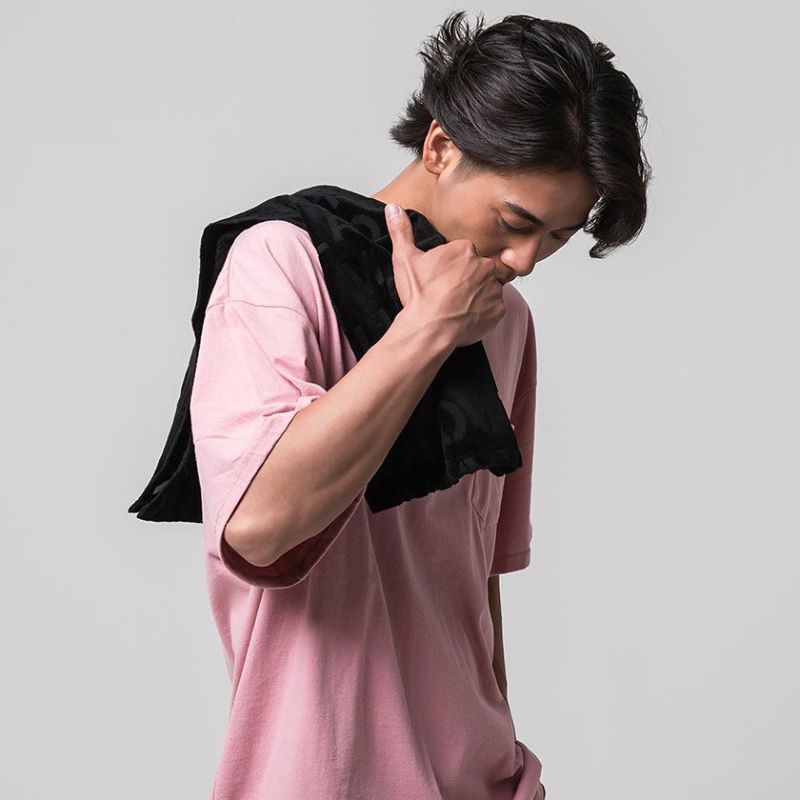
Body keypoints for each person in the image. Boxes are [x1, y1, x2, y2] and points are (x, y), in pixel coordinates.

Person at [190, 10, 651, 799]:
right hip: (321, 777)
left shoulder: (507, 321)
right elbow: (259, 527)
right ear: (440, 147)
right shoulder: (281, 262)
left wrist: (506, 765)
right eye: (517, 222)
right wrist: (427, 332)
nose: (525, 261)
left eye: (557, 238)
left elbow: (474, 582)